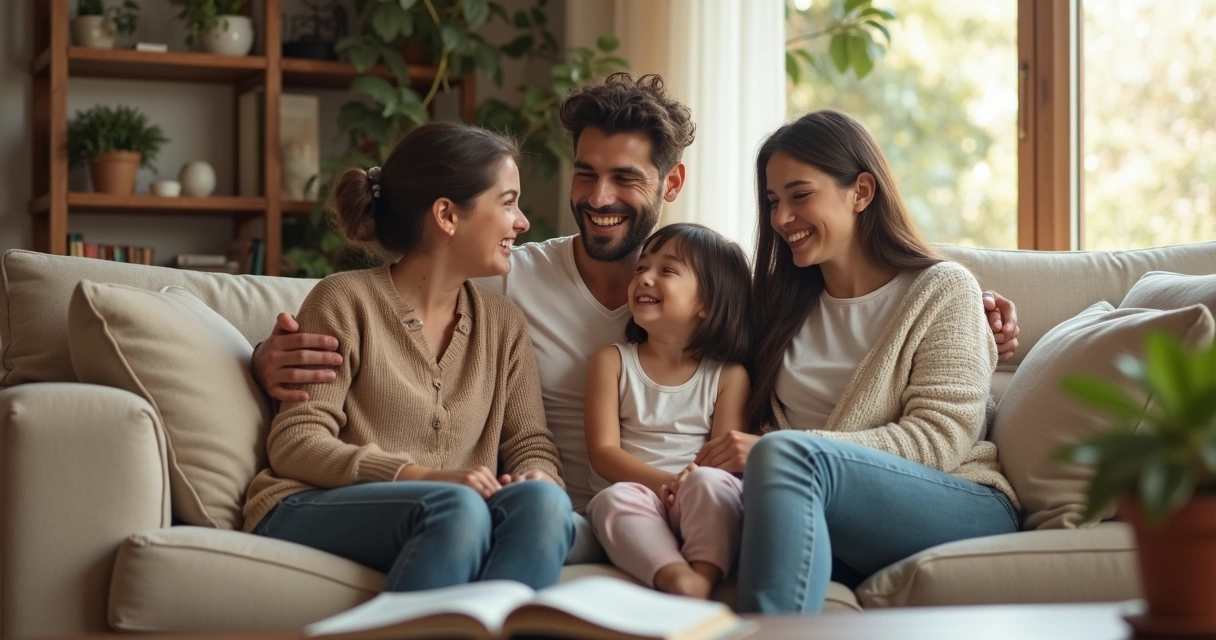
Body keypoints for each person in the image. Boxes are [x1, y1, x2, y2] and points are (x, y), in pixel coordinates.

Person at [248, 73, 1021, 550]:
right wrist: (263, 356)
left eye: (625, 178)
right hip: (566, 513)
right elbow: (398, 303)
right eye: (586, 174)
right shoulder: (511, 276)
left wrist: (980, 329)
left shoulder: (726, 289)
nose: (599, 197)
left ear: (671, 184)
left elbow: (868, 318)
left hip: (695, 513)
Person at [243, 121, 575, 592]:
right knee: (456, 507)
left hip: (452, 511)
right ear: (447, 215)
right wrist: (424, 477)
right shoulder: (343, 301)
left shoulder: (504, 324)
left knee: (546, 503)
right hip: (308, 504)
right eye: (508, 203)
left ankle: (490, 623)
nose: (522, 222)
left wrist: (537, 477)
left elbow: (530, 443)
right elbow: (296, 443)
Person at [720, 110, 1022, 614]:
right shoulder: (775, 304)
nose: (780, 218)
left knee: (783, 457)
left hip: (957, 498)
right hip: (826, 511)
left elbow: (939, 438)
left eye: (800, 195)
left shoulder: (943, 290)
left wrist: (791, 450)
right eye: (773, 202)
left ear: (861, 191)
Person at [583, 223, 752, 599]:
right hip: (639, 495)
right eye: (642, 267)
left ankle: (704, 575)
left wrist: (686, 485)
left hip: (694, 493)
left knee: (712, 484)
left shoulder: (728, 376)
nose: (644, 277)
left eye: (667, 270)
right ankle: (676, 576)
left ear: (707, 303)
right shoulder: (612, 361)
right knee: (611, 500)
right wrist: (665, 484)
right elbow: (603, 453)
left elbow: (724, 460)